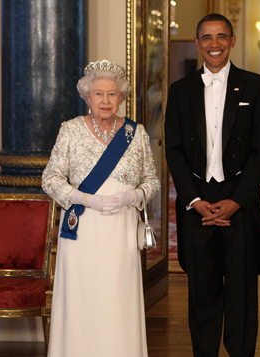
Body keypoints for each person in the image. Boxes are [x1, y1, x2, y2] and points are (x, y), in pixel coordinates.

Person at [164, 14, 260, 357]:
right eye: (207, 38)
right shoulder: (180, 91)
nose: (214, 44)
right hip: (197, 204)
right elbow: (175, 150)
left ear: (233, 41)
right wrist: (194, 200)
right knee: (202, 296)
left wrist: (236, 201)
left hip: (239, 204)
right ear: (197, 43)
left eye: (221, 37)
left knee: (242, 295)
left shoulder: (255, 86)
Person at [42, 59, 160, 357]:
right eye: (99, 94)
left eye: (112, 94)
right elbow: (50, 179)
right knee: (84, 297)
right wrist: (85, 199)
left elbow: (152, 181)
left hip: (120, 227)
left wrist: (132, 197)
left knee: (116, 298)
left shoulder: (137, 133)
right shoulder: (70, 130)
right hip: (83, 228)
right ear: (87, 96)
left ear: (121, 97)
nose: (106, 100)